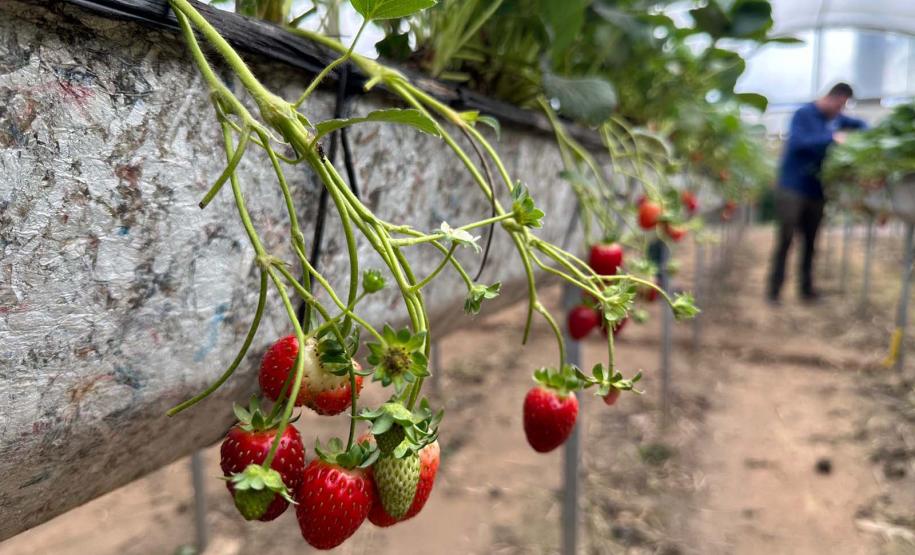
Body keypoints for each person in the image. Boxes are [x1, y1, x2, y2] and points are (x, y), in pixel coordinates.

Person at [767, 82, 866, 304]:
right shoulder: (804, 114)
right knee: (786, 240)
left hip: (816, 191)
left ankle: (806, 290)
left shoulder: (835, 118)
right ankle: (774, 292)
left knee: (811, 243)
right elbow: (798, 144)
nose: (841, 111)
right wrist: (832, 139)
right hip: (792, 188)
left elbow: (860, 124)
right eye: (839, 105)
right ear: (831, 98)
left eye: (844, 107)